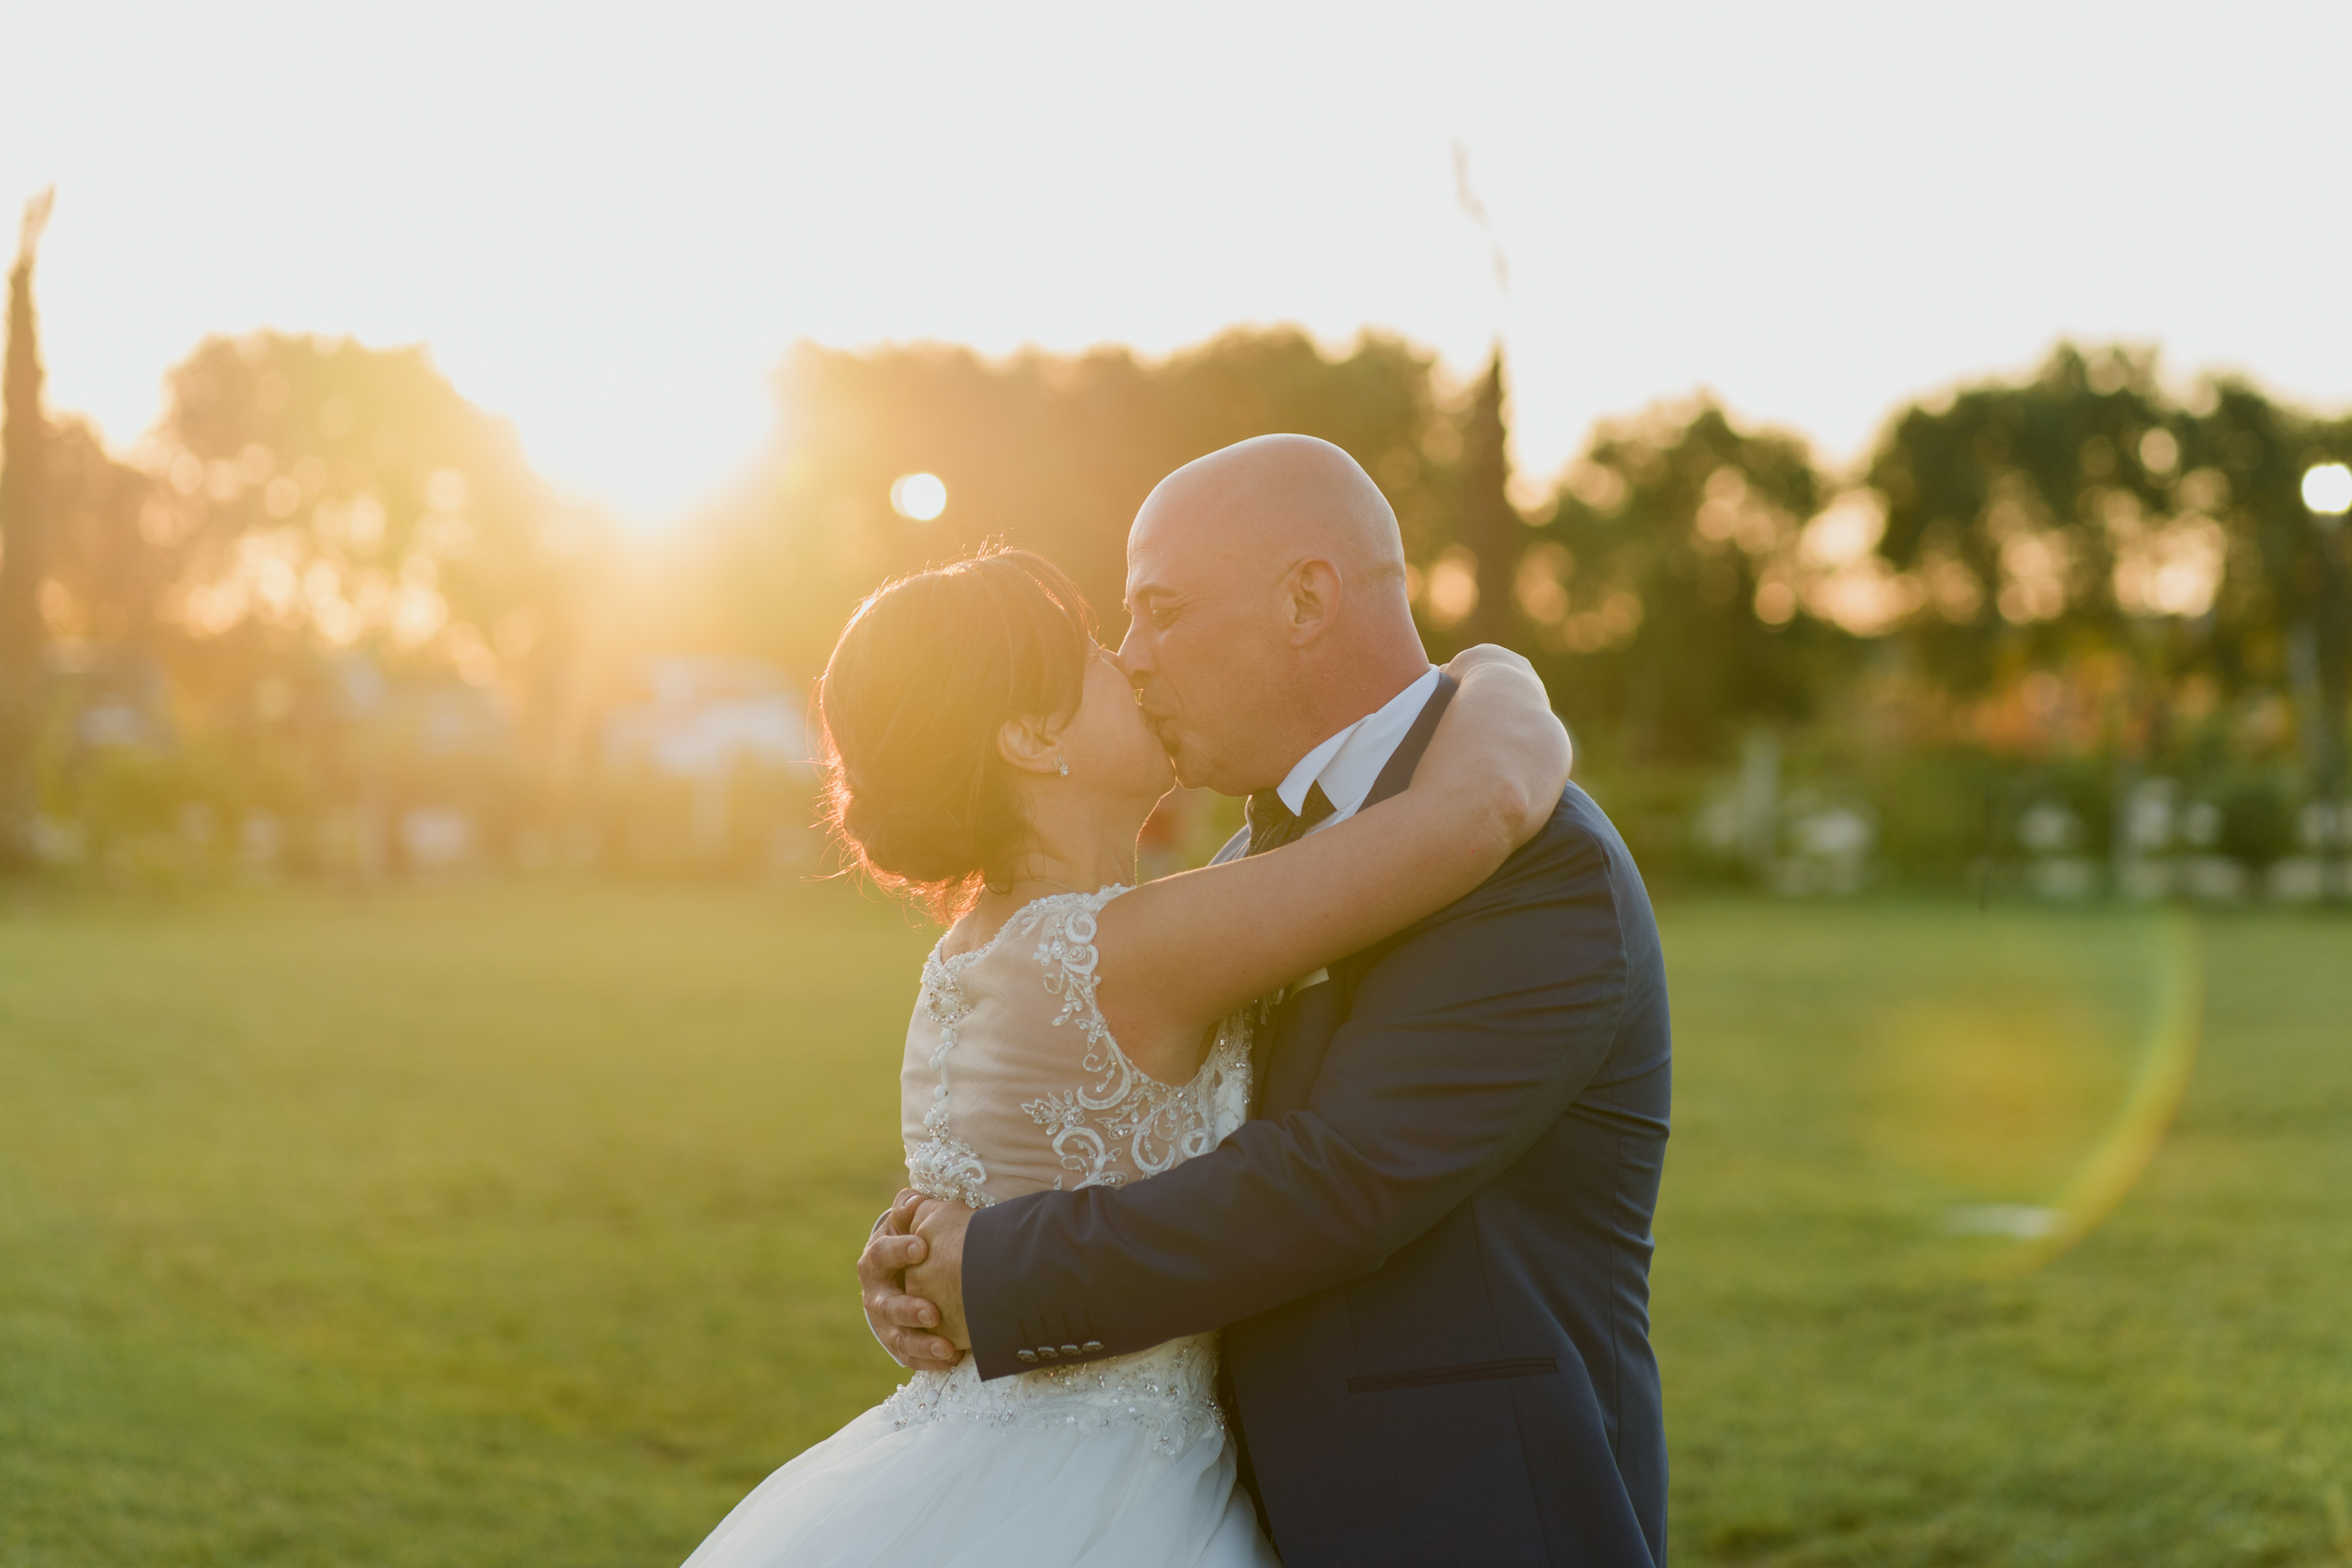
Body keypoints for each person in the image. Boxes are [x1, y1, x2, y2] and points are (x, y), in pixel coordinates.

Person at [679, 537, 1574, 1567]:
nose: (1136, 662)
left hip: (979, 1458)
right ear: (1030, 736)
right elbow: (1482, 809)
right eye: (1097, 651)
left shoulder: (982, 948)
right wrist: (1496, 669)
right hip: (1108, 1494)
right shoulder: (1128, 951)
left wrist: (908, 1255)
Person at [864, 435, 1673, 1568]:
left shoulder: (1541, 868)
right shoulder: (1257, 868)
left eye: (1161, 611)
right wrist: (940, 1230)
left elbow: (1340, 1179)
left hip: (1470, 1514)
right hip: (1216, 1509)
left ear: (1305, 600)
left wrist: (990, 1270)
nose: (1133, 658)